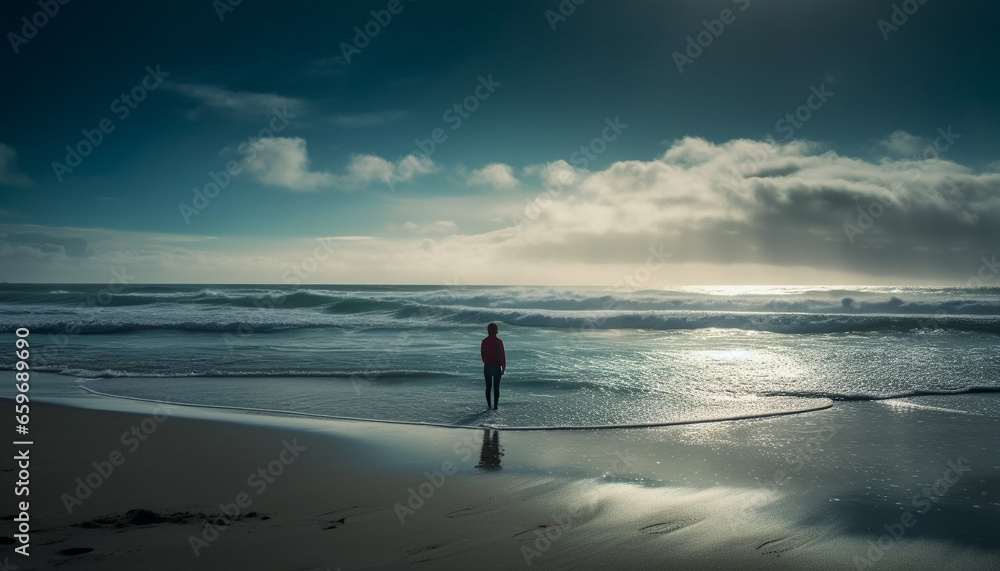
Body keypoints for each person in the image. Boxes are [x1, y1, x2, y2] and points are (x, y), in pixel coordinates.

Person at [480, 322, 506, 409]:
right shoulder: (499, 342)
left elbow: (482, 354)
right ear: (496, 331)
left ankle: (489, 406)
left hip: (487, 366)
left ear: (488, 330)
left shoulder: (484, 341)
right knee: (496, 388)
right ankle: (495, 406)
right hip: (496, 366)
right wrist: (503, 367)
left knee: (488, 387)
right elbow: (502, 355)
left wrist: (486, 363)